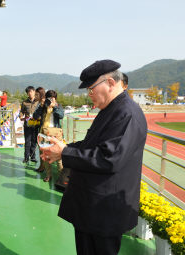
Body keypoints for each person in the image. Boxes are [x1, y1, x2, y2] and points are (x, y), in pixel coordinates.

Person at [40, 60, 147, 255]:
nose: (89, 95)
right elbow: (92, 144)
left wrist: (65, 152)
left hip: (105, 211)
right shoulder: (111, 109)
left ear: (110, 83)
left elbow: (108, 158)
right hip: (93, 207)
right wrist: (61, 150)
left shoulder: (127, 113)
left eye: (91, 89)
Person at [33, 89, 64, 182]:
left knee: (59, 156)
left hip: (55, 133)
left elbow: (61, 115)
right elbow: (35, 116)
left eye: (52, 98)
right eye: (48, 98)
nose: (50, 100)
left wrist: (54, 106)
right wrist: (42, 106)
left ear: (55, 99)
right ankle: (48, 175)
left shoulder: (58, 106)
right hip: (44, 133)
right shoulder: (43, 106)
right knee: (45, 154)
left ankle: (60, 176)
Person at [19, 86, 39, 163]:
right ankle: (26, 157)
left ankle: (33, 157)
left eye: (31, 91)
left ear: (34, 92)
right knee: (27, 141)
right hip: (27, 124)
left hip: (35, 124)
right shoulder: (24, 102)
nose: (30, 93)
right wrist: (21, 116)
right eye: (28, 92)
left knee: (34, 141)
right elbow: (22, 111)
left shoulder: (38, 102)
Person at [34, 86, 46, 172]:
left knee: (45, 149)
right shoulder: (40, 104)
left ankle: (44, 167)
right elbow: (35, 116)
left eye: (37, 95)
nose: (35, 96)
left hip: (47, 130)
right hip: (41, 129)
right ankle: (42, 166)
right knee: (41, 148)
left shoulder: (46, 104)